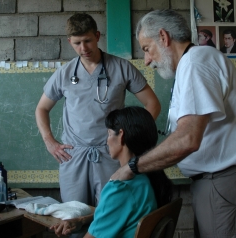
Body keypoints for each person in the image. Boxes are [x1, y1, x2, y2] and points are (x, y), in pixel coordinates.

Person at [111, 9, 236, 237]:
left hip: (223, 184)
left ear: (163, 37)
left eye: (147, 49)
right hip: (217, 185)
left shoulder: (195, 63)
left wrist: (131, 167)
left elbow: (187, 139)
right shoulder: (193, 63)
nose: (147, 60)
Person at [35, 13, 161, 209]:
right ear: (69, 42)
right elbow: (42, 108)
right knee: (73, 216)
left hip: (110, 154)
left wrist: (128, 138)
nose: (83, 48)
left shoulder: (121, 68)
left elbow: (153, 104)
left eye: (88, 41)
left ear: (97, 36)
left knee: (110, 213)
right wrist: (50, 142)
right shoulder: (64, 74)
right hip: (73, 156)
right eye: (77, 43)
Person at [50, 106, 172, 237]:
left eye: (108, 134)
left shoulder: (119, 188)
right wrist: (82, 220)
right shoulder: (147, 178)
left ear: (121, 136)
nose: (106, 141)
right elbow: (117, 212)